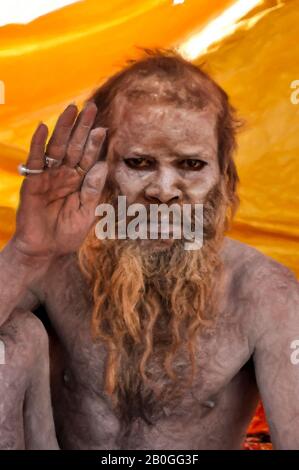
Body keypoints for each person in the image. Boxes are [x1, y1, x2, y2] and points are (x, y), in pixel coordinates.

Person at [0, 50, 298, 450]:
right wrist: (25, 253)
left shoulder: (266, 293)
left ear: (225, 177)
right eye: (139, 162)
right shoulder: (52, 264)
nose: (163, 191)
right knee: (12, 338)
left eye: (192, 165)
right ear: (97, 171)